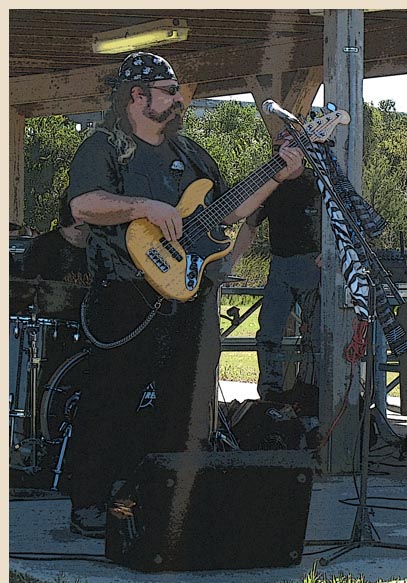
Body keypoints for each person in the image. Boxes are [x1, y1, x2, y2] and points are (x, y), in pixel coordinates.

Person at [64, 51, 303, 538]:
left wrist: (278, 173)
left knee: (184, 406)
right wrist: (145, 206)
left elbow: (230, 210)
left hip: (190, 295)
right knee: (112, 399)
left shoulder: (191, 152)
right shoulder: (104, 146)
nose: (179, 99)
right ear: (138, 96)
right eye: (169, 91)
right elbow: (85, 204)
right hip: (126, 294)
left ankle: (164, 502)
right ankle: (90, 502)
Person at [230, 132, 322, 410]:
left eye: (286, 149)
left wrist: (331, 256)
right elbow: (249, 226)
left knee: (315, 336)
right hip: (280, 265)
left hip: (313, 266)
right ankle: (269, 394)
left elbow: (341, 223)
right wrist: (229, 263)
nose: (279, 155)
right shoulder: (270, 186)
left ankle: (311, 392)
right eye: (275, 150)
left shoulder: (318, 184)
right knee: (268, 331)